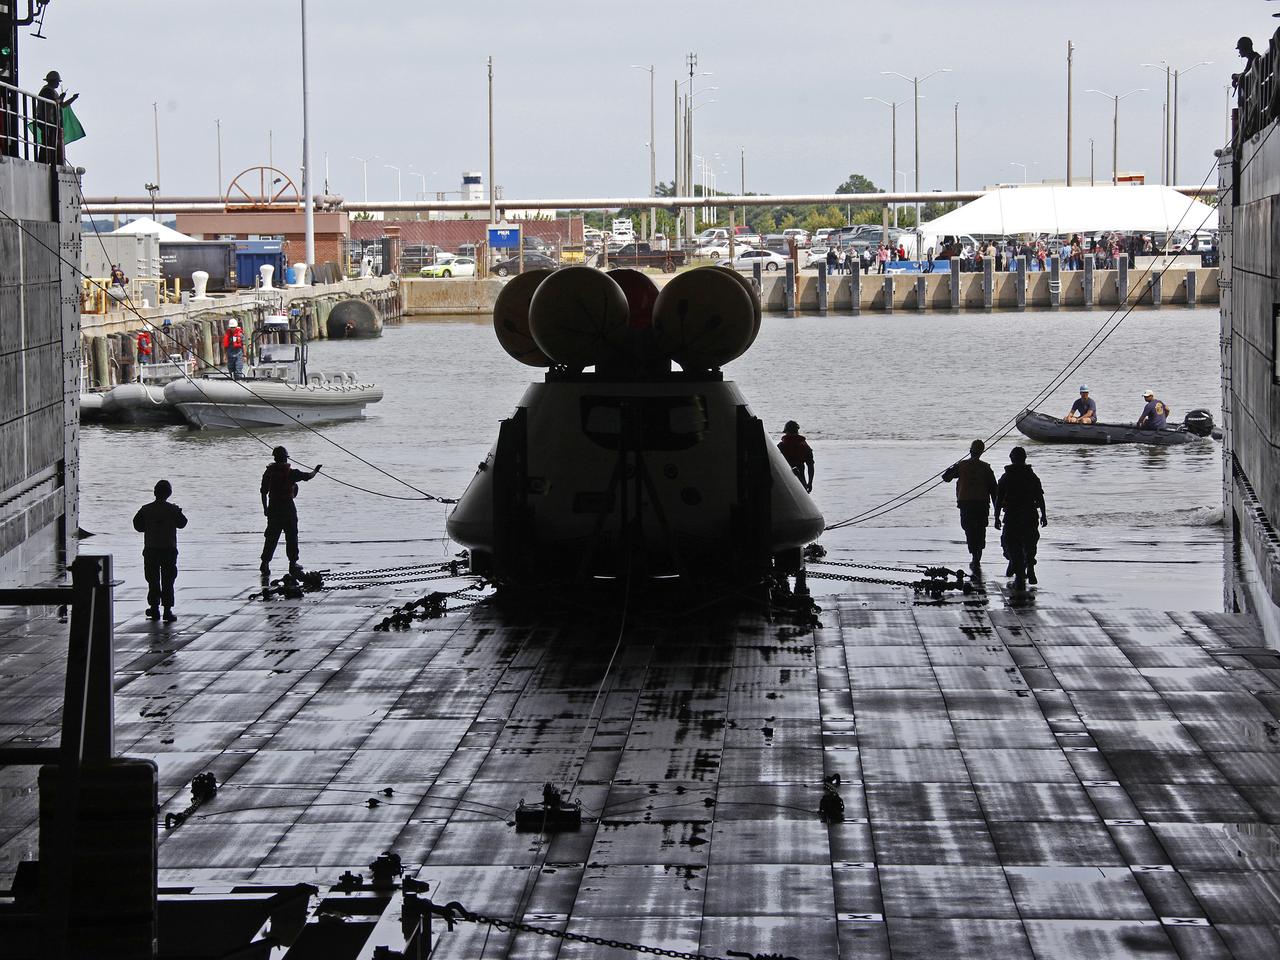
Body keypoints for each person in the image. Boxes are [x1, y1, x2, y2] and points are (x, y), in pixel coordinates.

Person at [260, 446, 322, 576]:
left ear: (275, 458)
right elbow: (308, 476)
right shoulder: (292, 473)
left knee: (271, 537)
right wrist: (316, 470)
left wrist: (265, 509)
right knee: (292, 536)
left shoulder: (269, 472)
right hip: (288, 508)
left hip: (273, 509)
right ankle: (293, 564)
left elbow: (263, 492)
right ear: (286, 458)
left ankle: (265, 563)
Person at [132, 479, 188, 622]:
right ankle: (167, 610)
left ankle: (154, 608)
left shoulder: (145, 509)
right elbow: (183, 523)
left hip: (151, 549)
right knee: (168, 581)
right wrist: (177, 511)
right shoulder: (173, 510)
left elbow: (137, 526)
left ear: (155, 492)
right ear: (169, 493)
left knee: (153, 580)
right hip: (168, 550)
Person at [942, 439, 999, 576]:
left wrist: (954, 467)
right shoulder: (986, 468)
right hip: (981, 504)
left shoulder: (962, 465)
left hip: (966, 504)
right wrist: (997, 514)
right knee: (980, 530)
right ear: (982, 452)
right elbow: (994, 492)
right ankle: (976, 556)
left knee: (969, 530)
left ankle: (974, 554)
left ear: (970, 451)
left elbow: (945, 477)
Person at [994, 447, 1048, 590]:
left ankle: (1018, 570)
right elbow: (1040, 497)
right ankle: (1029, 567)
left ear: (1012, 459)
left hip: (1012, 515)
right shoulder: (1032, 476)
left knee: (1011, 543)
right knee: (1030, 543)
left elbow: (998, 499)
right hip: (1030, 515)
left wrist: (996, 517)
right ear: (1024, 458)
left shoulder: (1006, 477)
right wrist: (1044, 515)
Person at [34, 70, 78, 164]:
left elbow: (62, 105)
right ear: (52, 81)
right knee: (47, 142)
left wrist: (72, 98)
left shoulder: (53, 91)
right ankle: (43, 161)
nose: (58, 84)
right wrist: (61, 97)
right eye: (57, 82)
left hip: (51, 121)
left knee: (51, 142)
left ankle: (50, 160)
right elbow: (55, 102)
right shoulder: (47, 90)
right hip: (45, 120)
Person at [777, 421, 814, 493]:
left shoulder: (781, 446)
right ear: (797, 431)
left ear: (786, 431)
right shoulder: (805, 446)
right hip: (800, 481)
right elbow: (810, 466)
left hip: (784, 481)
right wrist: (810, 483)